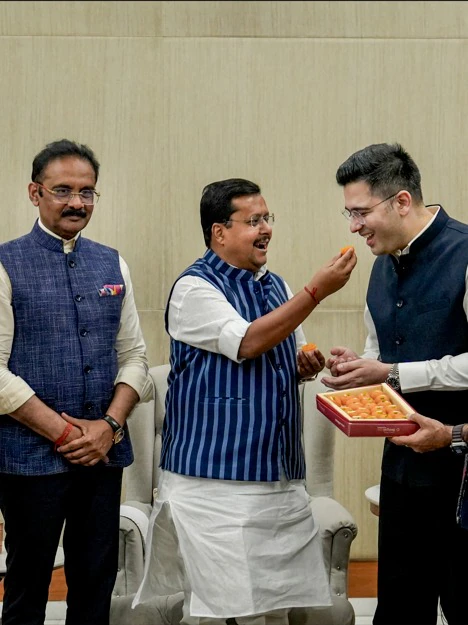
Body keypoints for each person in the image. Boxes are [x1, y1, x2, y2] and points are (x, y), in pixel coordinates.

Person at [132, 178, 356, 624]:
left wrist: (303, 366)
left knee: (275, 611)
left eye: (267, 218)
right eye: (253, 220)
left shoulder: (276, 285)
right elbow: (248, 342)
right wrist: (315, 291)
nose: (266, 229)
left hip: (278, 479)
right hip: (213, 486)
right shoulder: (194, 288)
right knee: (216, 612)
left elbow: (284, 355)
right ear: (219, 231)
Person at [0, 139, 149, 625]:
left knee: (95, 583)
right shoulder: (6, 262)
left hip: (103, 455)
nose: (77, 202)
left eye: (87, 192)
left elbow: (135, 357)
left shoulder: (112, 263)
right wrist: (65, 433)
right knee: (27, 586)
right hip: (28, 460)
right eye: (63, 190)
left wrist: (109, 425)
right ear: (35, 193)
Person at [321, 142, 468, 625]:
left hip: (462, 466)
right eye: (349, 212)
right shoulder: (380, 264)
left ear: (402, 201)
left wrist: (394, 373)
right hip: (403, 469)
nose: (354, 226)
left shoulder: (465, 252)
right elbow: (379, 352)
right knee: (400, 609)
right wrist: (357, 369)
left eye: (361, 212)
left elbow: (396, 368)